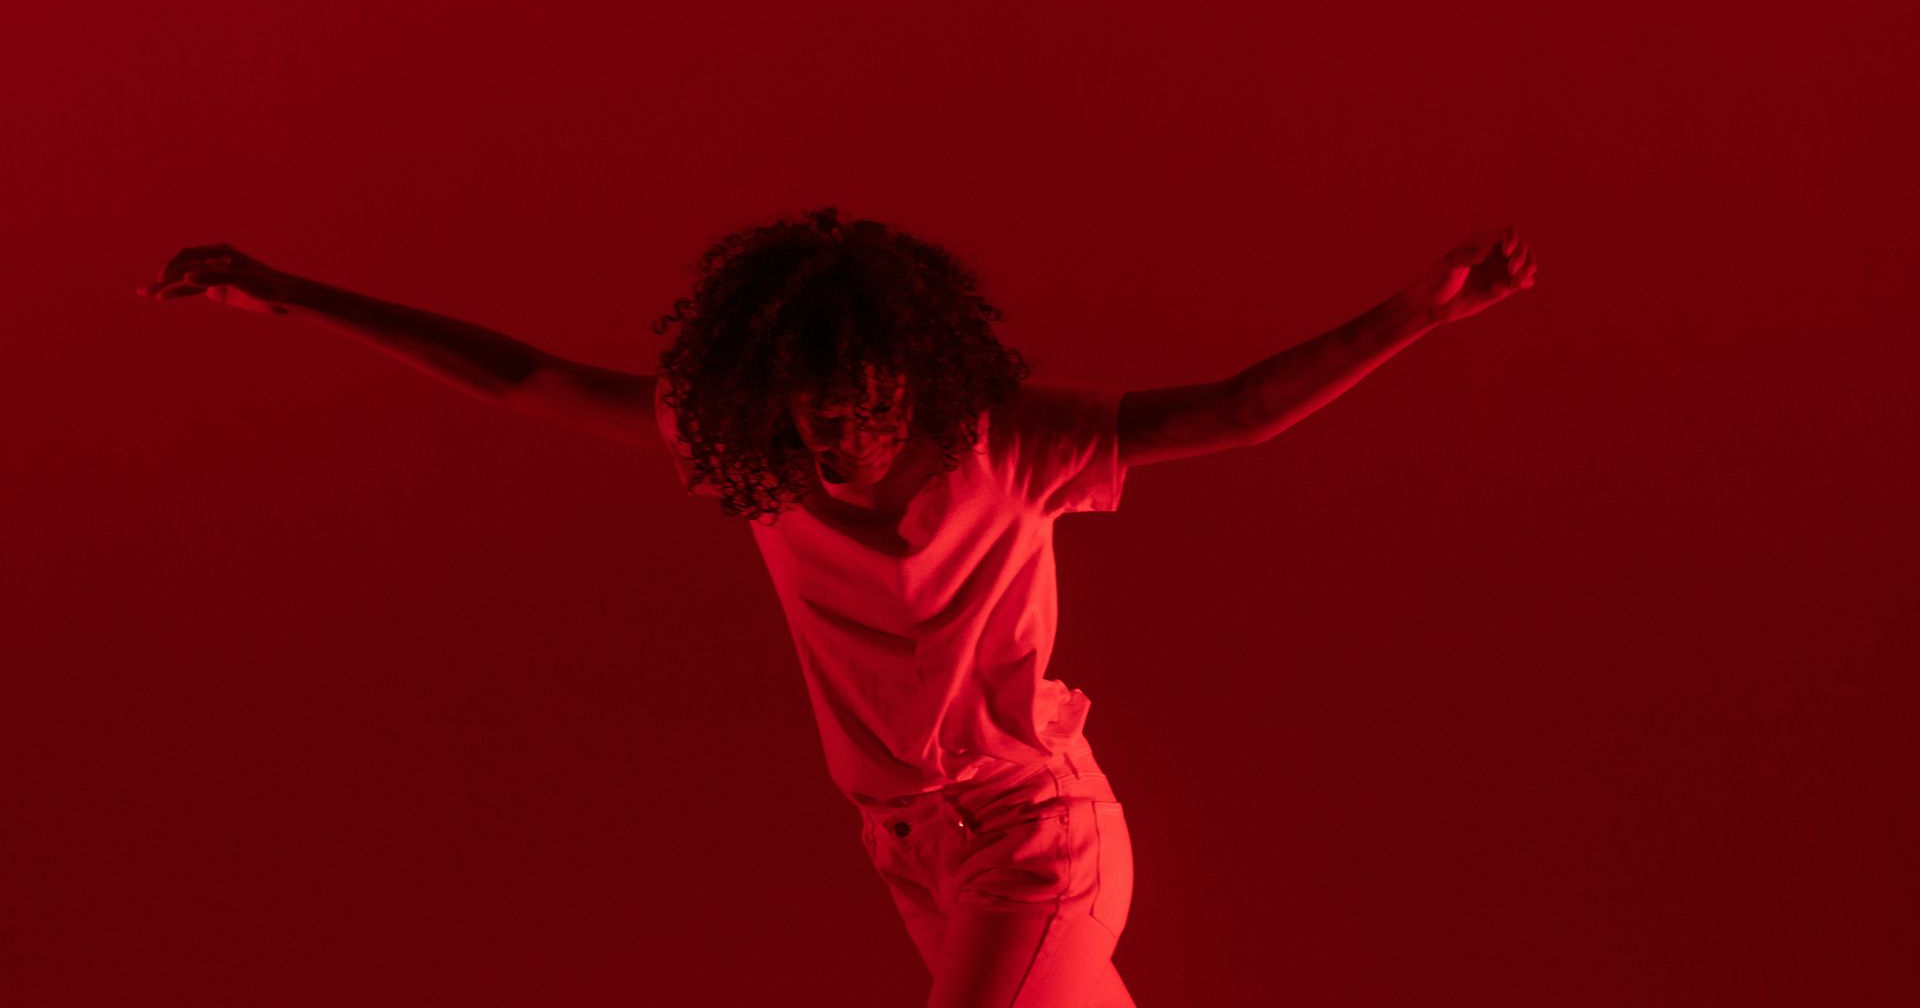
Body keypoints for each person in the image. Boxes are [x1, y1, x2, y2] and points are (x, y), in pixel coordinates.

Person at [138, 208, 1538, 1006]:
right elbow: (523, 379)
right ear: (772, 409)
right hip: (909, 856)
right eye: (816, 425)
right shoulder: (742, 456)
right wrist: (293, 294)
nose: (846, 449)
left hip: (1029, 838)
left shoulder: (1014, 441)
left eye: (868, 415)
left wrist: (1415, 314)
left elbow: (1235, 412)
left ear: (915, 381)